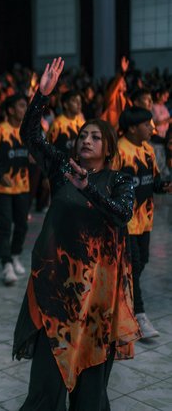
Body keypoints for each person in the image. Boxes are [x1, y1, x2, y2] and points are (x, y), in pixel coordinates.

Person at [14, 58, 140, 410]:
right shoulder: (62, 170)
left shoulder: (119, 180)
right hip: (59, 290)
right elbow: (30, 136)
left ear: (109, 148)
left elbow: (121, 214)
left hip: (98, 296)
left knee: (90, 386)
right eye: (83, 135)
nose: (86, 140)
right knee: (48, 380)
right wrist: (42, 95)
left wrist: (88, 189)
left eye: (95, 137)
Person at [114, 107, 172, 339]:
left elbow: (153, 181)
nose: (152, 128)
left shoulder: (148, 149)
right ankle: (138, 314)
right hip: (125, 222)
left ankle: (121, 298)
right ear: (131, 128)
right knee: (134, 263)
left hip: (145, 221)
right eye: (147, 125)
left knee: (140, 262)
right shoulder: (119, 151)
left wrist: (164, 186)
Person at [0, 93, 31, 285]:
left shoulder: (27, 131)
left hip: (23, 186)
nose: (24, 109)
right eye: (21, 106)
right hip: (2, 188)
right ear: (11, 110)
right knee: (5, 226)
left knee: (22, 225)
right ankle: (6, 264)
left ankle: (15, 255)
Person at [48, 90, 85, 157]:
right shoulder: (57, 124)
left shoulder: (82, 122)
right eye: (74, 100)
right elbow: (49, 147)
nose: (79, 104)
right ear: (66, 105)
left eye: (80, 101)